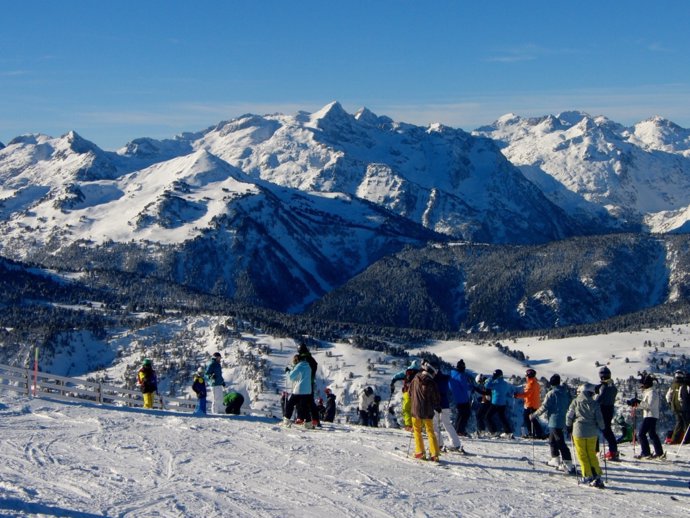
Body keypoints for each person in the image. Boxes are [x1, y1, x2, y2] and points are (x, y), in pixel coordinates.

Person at [531, 374, 575, 474]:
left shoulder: (552, 393)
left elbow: (544, 406)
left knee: (559, 441)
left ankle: (567, 463)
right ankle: (555, 458)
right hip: (562, 419)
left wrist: (534, 415)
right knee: (552, 440)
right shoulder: (565, 392)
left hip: (554, 420)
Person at [566, 383, 605, 488]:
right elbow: (600, 418)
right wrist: (603, 427)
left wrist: (568, 426)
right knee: (591, 454)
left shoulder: (575, 402)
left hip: (578, 432)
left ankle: (587, 475)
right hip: (592, 433)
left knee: (582, 454)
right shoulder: (595, 403)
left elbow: (570, 415)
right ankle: (597, 475)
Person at [409, 361, 441, 461]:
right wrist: (437, 406)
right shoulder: (432, 382)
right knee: (430, 431)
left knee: (417, 430)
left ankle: (420, 452)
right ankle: (434, 454)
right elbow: (436, 398)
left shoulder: (415, 379)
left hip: (416, 409)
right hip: (428, 410)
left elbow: (410, 392)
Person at [628, 374, 665, 459]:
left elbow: (649, 406)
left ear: (646, 384)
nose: (641, 386)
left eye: (642, 384)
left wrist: (638, 402)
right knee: (652, 434)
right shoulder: (649, 392)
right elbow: (645, 406)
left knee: (641, 434)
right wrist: (635, 404)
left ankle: (646, 453)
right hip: (650, 415)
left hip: (650, 416)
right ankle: (659, 453)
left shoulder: (652, 393)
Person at [434, 365, 465, 453]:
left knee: (434, 424)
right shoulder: (445, 378)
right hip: (445, 404)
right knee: (447, 424)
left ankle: (439, 444)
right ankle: (455, 444)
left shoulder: (433, 379)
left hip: (436, 404)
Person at [285, 354, 317, 428]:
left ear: (296, 361)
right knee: (304, 407)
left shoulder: (299, 366)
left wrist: (287, 372)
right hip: (308, 391)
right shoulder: (308, 366)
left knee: (290, 405)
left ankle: (286, 420)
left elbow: (291, 377)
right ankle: (308, 423)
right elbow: (301, 378)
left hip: (299, 390)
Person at [595, 366, 619, 461]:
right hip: (610, 408)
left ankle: (597, 450)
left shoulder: (604, 387)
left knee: (601, 430)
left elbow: (598, 400)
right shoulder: (612, 386)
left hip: (603, 409)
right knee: (607, 430)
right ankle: (613, 451)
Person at [485, 369, 517, 438]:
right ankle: (508, 432)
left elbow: (486, 385)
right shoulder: (505, 383)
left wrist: (491, 379)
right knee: (502, 418)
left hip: (495, 403)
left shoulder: (496, 383)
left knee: (487, 417)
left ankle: (493, 431)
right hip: (503, 404)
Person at [391, 360, 421, 431]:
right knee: (417, 410)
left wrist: (392, 383)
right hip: (417, 394)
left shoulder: (407, 372)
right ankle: (418, 426)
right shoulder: (420, 373)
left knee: (406, 410)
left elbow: (396, 376)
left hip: (407, 392)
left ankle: (408, 426)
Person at [515, 368, 545, 439]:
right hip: (535, 403)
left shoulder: (531, 384)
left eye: (526, 375)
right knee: (533, 419)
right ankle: (539, 433)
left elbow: (526, 394)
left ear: (529, 376)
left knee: (527, 418)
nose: (525, 377)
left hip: (530, 404)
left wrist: (517, 395)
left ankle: (532, 433)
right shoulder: (536, 383)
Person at [297, 343, 321, 427]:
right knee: (310, 402)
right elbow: (315, 367)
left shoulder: (302, 359)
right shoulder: (311, 359)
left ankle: (302, 418)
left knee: (300, 401)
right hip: (310, 382)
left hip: (303, 383)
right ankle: (316, 420)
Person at [666, 370, 690, 445]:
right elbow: (681, 397)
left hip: (675, 408)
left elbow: (667, 396)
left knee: (679, 423)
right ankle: (686, 439)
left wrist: (671, 404)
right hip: (683, 408)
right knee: (686, 423)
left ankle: (675, 439)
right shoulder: (683, 385)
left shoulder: (673, 385)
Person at [449, 360, 472, 436]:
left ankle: (457, 430)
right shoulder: (460, 375)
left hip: (457, 398)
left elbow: (449, 386)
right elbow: (466, 386)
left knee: (460, 414)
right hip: (464, 398)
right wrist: (472, 386)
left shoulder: (452, 374)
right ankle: (460, 431)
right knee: (465, 414)